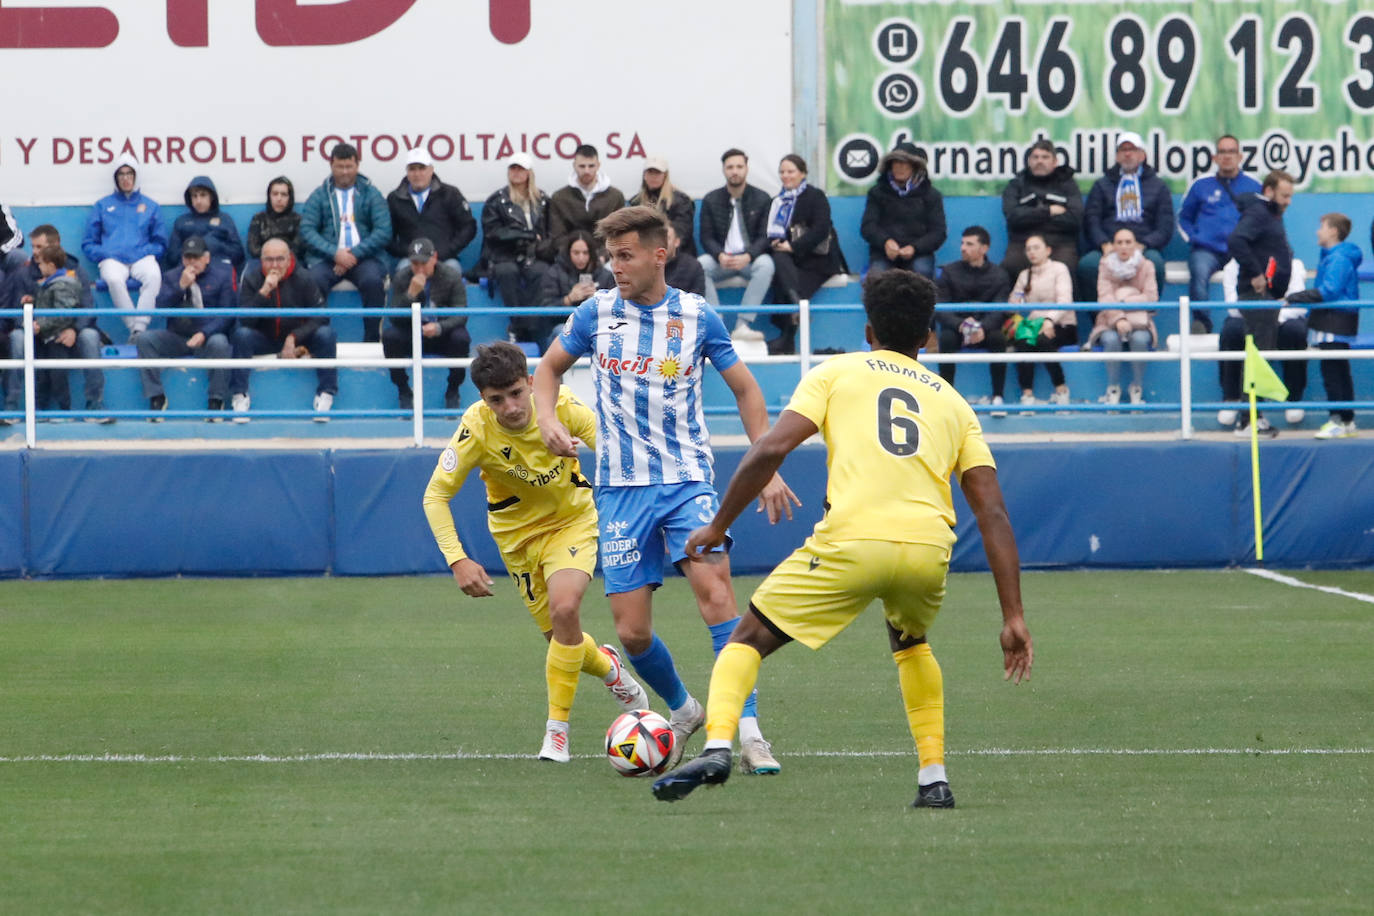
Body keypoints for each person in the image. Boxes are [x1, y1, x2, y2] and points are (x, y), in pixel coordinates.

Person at [651, 269, 1033, 806]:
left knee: (746, 641)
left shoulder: (838, 373)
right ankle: (934, 779)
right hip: (927, 551)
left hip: (854, 540)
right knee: (911, 642)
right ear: (928, 337)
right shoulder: (955, 404)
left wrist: (718, 526)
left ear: (869, 329)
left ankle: (716, 746)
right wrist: (1013, 616)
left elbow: (768, 451)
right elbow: (992, 512)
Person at [533, 206, 799, 774]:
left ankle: (746, 732)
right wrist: (548, 419)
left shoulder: (698, 316)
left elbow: (748, 392)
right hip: (620, 490)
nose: (615, 267)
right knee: (631, 633)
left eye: (625, 255)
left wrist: (767, 464)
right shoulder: (596, 312)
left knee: (717, 596)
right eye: (611, 257)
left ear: (660, 253)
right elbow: (547, 371)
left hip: (686, 482)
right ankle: (684, 707)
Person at [422, 340, 652, 761]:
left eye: (515, 392)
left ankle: (556, 733)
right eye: (497, 399)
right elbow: (435, 496)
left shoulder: (562, 406)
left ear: (531, 382)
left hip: (572, 524)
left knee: (566, 611)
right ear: (483, 399)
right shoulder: (476, 429)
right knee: (560, 640)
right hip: (518, 542)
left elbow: (616, 451)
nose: (510, 406)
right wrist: (458, 558)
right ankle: (609, 668)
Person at [231, 237, 338, 422]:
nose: (274, 265)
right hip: (266, 337)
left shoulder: (304, 277)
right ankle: (240, 395)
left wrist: (294, 337)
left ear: (289, 259)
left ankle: (325, 394)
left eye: (280, 259)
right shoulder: (252, 278)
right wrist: (264, 291)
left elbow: (321, 315)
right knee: (241, 335)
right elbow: (246, 320)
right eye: (269, 260)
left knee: (326, 334)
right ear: (261, 260)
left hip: (297, 337)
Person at [1222, 170, 1295, 437]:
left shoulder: (1271, 215)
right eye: (1284, 195)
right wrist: (1255, 273)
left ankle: (1255, 415)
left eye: (1290, 196)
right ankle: (1247, 420)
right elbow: (1236, 240)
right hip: (1256, 297)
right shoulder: (1259, 213)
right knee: (1257, 359)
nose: (1288, 201)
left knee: (1261, 357)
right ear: (1268, 191)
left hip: (1268, 298)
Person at [299, 142, 391, 343]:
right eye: (339, 167)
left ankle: (372, 340)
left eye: (349, 167)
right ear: (331, 165)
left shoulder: (371, 193)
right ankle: (320, 338)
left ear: (358, 165)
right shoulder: (320, 194)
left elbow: (384, 231)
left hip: (365, 257)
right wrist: (335, 254)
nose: (344, 172)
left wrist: (353, 254)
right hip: (327, 258)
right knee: (313, 280)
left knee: (373, 282)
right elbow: (307, 230)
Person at [2, 226, 97, 420]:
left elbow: (87, 308)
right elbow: (15, 310)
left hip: (66, 334)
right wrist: (28, 325)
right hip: (36, 334)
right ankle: (11, 408)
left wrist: (74, 330)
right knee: (17, 337)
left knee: (90, 336)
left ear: (55, 246)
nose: (34, 252)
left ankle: (95, 406)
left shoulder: (77, 272)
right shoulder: (23, 273)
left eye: (39, 247)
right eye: (33, 247)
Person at [1283, 213, 1363, 439]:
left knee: (1333, 371)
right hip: (1332, 320)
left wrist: (1296, 297)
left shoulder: (1338, 258)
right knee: (1339, 370)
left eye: (1322, 227)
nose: (1318, 231)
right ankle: (1346, 422)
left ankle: (1338, 420)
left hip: (1333, 321)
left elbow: (1329, 291)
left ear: (1333, 232)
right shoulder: (1333, 256)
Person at [139, 236, 234, 420]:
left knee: (220, 342)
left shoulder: (222, 277)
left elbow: (227, 314)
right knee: (145, 339)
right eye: (188, 258)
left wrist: (204, 333)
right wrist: (180, 286)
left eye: (196, 258)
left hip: (207, 337)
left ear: (207, 258)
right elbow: (160, 309)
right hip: (178, 336)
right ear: (182, 259)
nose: (192, 262)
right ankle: (156, 397)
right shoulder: (172, 277)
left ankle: (216, 401)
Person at [1178, 135, 1262, 331]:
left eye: (1231, 152)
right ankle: (1202, 323)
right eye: (1222, 152)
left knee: (1255, 273)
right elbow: (1183, 218)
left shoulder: (1254, 185)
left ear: (1240, 156)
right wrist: (1194, 237)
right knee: (1199, 271)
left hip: (1241, 250)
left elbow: (1264, 219)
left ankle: (1250, 323)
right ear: (1215, 157)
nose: (1227, 156)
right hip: (1207, 250)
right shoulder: (1201, 184)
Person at [1080, 131, 1173, 298]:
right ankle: (1100, 318)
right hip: (1108, 245)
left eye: (1133, 149)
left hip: (1143, 245)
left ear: (1142, 155)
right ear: (1117, 156)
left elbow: (1165, 226)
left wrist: (1143, 244)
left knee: (1155, 263)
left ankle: (1145, 316)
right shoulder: (1102, 185)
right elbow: (1091, 220)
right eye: (1123, 150)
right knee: (1088, 265)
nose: (1128, 154)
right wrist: (1104, 244)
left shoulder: (1158, 186)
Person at [82, 154, 166, 338]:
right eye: (121, 174)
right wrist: (106, 253)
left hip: (141, 257)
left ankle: (139, 328)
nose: (126, 179)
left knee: (153, 275)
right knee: (113, 279)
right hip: (113, 260)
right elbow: (88, 243)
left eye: (129, 174)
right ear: (115, 178)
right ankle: (133, 327)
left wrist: (143, 252)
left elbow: (160, 243)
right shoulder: (102, 206)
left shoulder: (150, 206)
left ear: (135, 176)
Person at [767, 154, 843, 354]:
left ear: (802, 173)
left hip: (819, 259)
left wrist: (793, 246)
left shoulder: (815, 196)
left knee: (791, 281)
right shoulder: (778, 201)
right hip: (793, 260)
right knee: (778, 260)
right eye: (782, 172)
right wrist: (777, 243)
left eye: (790, 171)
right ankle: (796, 306)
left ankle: (787, 338)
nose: (786, 176)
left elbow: (821, 229)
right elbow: (770, 232)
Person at [696, 148, 775, 341]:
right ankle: (718, 324)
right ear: (723, 170)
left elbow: (765, 236)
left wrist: (748, 255)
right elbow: (706, 236)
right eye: (730, 167)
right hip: (722, 260)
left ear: (747, 169)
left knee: (766, 264)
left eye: (739, 166)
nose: (735, 171)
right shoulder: (711, 199)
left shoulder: (762, 197)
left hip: (749, 259)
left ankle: (743, 325)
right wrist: (719, 255)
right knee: (700, 265)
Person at [383, 238, 470, 410]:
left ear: (434, 258)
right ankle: (404, 391)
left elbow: (461, 314)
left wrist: (440, 328)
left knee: (461, 338)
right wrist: (410, 294)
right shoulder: (402, 277)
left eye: (424, 263)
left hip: (441, 334)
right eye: (415, 264)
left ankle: (453, 390)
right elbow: (394, 317)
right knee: (390, 336)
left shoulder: (451, 275)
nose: (420, 269)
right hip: (412, 333)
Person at [933, 226, 1012, 414]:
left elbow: (1000, 309)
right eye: (962, 243)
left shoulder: (999, 274)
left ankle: (998, 398)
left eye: (969, 244)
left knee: (998, 339)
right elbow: (940, 308)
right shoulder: (949, 272)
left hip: (985, 329)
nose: (963, 248)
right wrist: (961, 325)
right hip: (958, 328)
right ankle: (946, 398)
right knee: (946, 338)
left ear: (984, 249)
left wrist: (982, 327)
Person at [1090, 227, 1159, 405]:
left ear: (1135, 245)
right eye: (1119, 242)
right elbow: (1104, 296)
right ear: (1113, 245)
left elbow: (1151, 297)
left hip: (1140, 323)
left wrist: (1122, 300)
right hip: (1109, 322)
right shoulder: (1105, 266)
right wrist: (1118, 318)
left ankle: (1137, 387)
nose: (1123, 246)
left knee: (1140, 339)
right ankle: (1113, 388)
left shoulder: (1147, 265)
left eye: (1128, 242)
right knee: (1111, 339)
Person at [859, 141, 946, 279]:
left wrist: (915, 248)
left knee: (921, 274)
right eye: (895, 162)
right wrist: (886, 242)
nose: (899, 167)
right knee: (877, 278)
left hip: (920, 254)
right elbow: (868, 226)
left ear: (915, 166)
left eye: (905, 163)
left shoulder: (931, 195)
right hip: (883, 253)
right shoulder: (877, 192)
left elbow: (938, 232)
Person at [1001, 138, 1083, 285]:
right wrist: (1048, 211)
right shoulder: (1016, 185)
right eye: (1035, 157)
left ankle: (1067, 308)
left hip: (1060, 243)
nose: (1040, 161)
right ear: (1029, 161)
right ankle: (1012, 309)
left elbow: (1075, 220)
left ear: (1055, 162)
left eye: (1045, 157)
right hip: (1023, 243)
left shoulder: (1068, 184)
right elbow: (1013, 218)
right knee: (1009, 266)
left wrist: (1030, 215)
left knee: (1066, 268)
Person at [481, 152, 553, 313]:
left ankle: (532, 324)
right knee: (507, 272)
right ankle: (518, 323)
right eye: (513, 168)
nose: (516, 172)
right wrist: (526, 235)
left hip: (536, 254)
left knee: (542, 271)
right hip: (504, 255)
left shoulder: (542, 200)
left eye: (521, 169)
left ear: (529, 172)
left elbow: (550, 230)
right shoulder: (497, 200)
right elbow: (493, 232)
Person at [1008, 234, 1076, 406]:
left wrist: (1049, 320)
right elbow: (1013, 304)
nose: (1032, 252)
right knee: (1022, 342)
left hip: (1062, 324)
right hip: (1033, 325)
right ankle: (1027, 395)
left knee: (1044, 340)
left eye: (1036, 247)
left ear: (1048, 250)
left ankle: (1061, 391)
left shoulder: (1060, 269)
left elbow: (1064, 300)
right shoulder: (1025, 275)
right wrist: (1017, 297)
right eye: (1028, 249)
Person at [386, 148, 476, 273]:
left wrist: (448, 250)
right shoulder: (395, 198)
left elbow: (468, 227)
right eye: (412, 169)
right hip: (410, 261)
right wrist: (406, 251)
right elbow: (386, 234)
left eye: (422, 168)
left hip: (445, 259)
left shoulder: (450, 194)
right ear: (407, 171)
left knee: (452, 270)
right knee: (402, 270)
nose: (417, 174)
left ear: (431, 170)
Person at [532, 231, 612, 352]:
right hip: (563, 326)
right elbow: (544, 309)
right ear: (568, 252)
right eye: (576, 253)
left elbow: (616, 307)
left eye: (585, 253)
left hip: (598, 327)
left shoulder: (605, 275)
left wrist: (598, 300)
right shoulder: (554, 273)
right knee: (561, 332)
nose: (581, 258)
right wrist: (568, 299)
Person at [549, 144, 626, 254]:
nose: (586, 171)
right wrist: (576, 255)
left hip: (607, 257)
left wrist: (601, 256)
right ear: (574, 165)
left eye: (591, 166)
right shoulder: (559, 198)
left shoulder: (615, 196)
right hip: (569, 257)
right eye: (582, 166)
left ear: (598, 165)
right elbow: (557, 236)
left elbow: (619, 235)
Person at [164, 176, 245, 275]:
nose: (198, 201)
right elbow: (172, 257)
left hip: (218, 272)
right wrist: (192, 247)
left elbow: (239, 255)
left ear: (211, 197)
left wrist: (217, 245)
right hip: (188, 271)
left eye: (203, 195)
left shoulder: (225, 220)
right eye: (194, 196)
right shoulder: (182, 221)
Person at [629, 157, 695, 257]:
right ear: (644, 176)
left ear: (665, 175)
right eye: (650, 172)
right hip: (644, 254)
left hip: (677, 255)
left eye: (658, 173)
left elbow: (682, 233)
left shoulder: (682, 201)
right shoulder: (635, 203)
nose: (653, 177)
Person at [246, 177, 304, 265]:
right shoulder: (259, 219)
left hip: (289, 263)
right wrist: (270, 259)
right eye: (275, 194)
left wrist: (280, 260)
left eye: (284, 194)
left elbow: (298, 249)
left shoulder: (297, 220)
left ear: (290, 197)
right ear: (269, 196)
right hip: (263, 262)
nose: (279, 198)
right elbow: (253, 248)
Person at [663, 224, 705, 297]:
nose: (662, 243)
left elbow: (697, 301)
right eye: (658, 239)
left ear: (677, 242)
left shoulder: (692, 267)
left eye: (667, 238)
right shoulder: (645, 265)